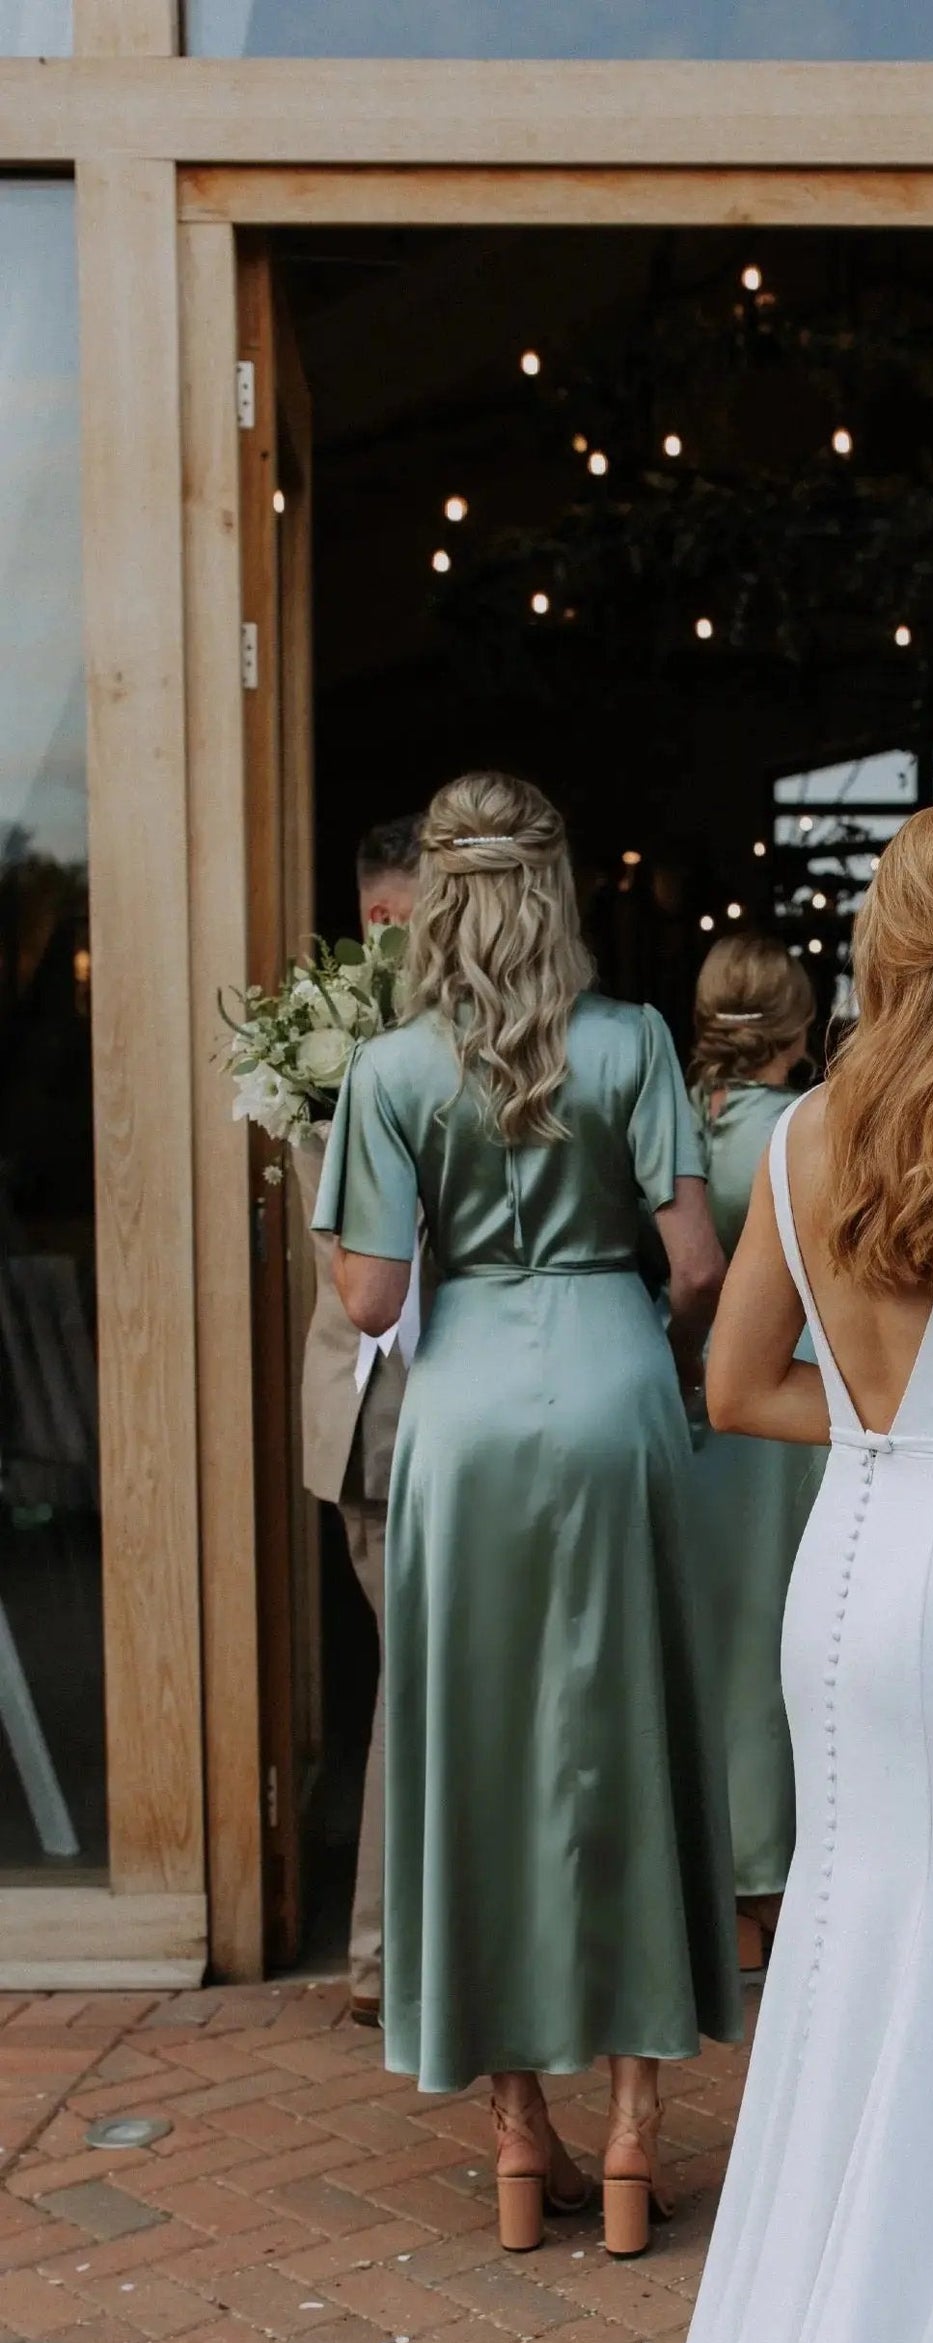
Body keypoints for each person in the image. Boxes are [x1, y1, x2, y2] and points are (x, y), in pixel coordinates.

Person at [71, 797, 933, 2343]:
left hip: (849, 1577)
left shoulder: (811, 1131)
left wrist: (894, 1437)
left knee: (851, 1975)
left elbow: (738, 1386)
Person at [323, 771, 736, 2255]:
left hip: (469, 1412)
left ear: (432, 897)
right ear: (558, 888)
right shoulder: (629, 1043)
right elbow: (694, 1263)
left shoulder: (390, 1069)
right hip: (617, 1386)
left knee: (476, 1746)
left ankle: (518, 2137)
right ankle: (634, 2135)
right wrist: (641, 1333)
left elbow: (370, 1294)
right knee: (622, 1728)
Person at [292, 813, 423, 2028]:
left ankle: (407, 1944)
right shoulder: (340, 1057)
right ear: (387, 921)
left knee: (423, 1678)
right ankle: (384, 1951)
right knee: (416, 1682)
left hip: (434, 1411)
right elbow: (362, 1274)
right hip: (383, 1417)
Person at [686, 933, 823, 1966]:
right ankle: (773, 1876)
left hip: (691, 1401)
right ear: (801, 1024)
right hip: (785, 1402)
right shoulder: (804, 1131)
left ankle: (715, 1879)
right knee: (784, 1636)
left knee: (707, 1635)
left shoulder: (684, 1125)